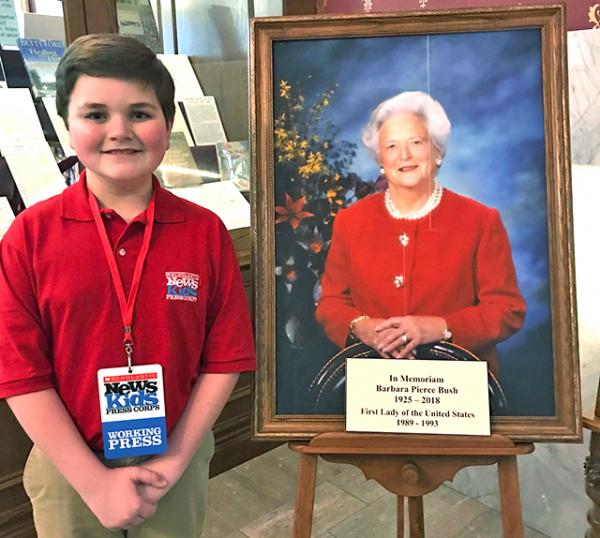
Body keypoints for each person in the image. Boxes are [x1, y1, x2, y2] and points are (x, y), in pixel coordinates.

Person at [0, 34, 255, 537]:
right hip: (68, 463)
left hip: (174, 456)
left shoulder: (205, 233)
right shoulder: (30, 236)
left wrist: (176, 460)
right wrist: (93, 483)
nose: (120, 131)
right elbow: (19, 371)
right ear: (67, 126)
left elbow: (224, 359)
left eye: (140, 113)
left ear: (167, 122)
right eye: (96, 115)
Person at [315, 91, 526, 374]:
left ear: (437, 151)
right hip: (374, 378)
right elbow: (331, 303)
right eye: (391, 146)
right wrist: (363, 328)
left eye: (416, 142)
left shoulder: (481, 220)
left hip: (460, 383)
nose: (405, 155)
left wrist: (438, 328)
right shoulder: (350, 221)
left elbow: (506, 308)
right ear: (380, 159)